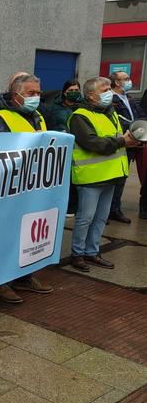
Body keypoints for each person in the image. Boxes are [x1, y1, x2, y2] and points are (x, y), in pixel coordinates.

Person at [0, 74, 53, 303]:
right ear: (16, 96)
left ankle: (24, 275)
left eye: (38, 93)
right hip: (8, 189)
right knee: (5, 235)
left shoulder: (37, 116)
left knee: (27, 235)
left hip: (33, 187)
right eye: (31, 93)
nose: (36, 97)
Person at [67, 76, 137, 272]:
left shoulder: (110, 111)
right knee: (85, 218)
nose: (109, 93)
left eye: (108, 89)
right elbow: (93, 143)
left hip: (111, 175)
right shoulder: (80, 116)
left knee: (100, 218)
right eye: (104, 90)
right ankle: (77, 254)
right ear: (91, 95)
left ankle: (92, 252)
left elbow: (115, 137)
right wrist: (123, 141)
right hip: (91, 177)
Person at [108, 71, 142, 224]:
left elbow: (140, 116)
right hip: (121, 142)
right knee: (114, 180)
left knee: (122, 178)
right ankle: (111, 209)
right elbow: (118, 122)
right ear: (116, 82)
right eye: (126, 79)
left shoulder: (129, 99)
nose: (129, 81)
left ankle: (114, 208)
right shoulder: (111, 100)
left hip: (132, 144)